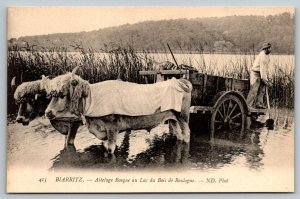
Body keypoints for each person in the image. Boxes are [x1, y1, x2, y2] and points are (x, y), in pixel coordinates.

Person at [246, 42, 272, 109]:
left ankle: (259, 103)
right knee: (254, 90)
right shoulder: (262, 56)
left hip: (261, 73)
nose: (270, 49)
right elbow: (262, 69)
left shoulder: (267, 55)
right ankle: (248, 105)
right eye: (269, 48)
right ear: (265, 49)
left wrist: (266, 78)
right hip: (255, 73)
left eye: (270, 48)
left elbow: (266, 68)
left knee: (262, 90)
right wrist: (264, 79)